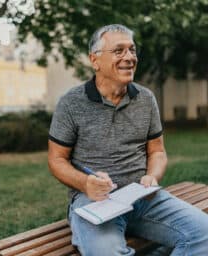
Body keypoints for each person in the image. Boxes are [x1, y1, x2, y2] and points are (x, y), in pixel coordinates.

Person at [48, 24, 208, 256]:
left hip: (143, 197)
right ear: (95, 60)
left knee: (204, 235)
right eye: (119, 51)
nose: (129, 57)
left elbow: (157, 152)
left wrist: (152, 176)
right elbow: (56, 160)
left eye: (132, 50)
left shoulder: (146, 99)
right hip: (93, 203)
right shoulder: (71, 103)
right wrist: (85, 184)